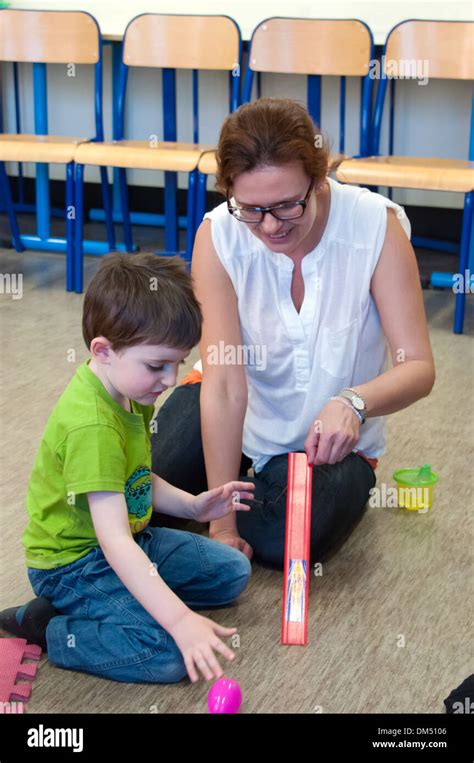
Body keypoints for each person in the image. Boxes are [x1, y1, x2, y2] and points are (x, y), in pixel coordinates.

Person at [151, 97, 436, 567]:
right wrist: (221, 527)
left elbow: (419, 368)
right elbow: (222, 384)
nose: (268, 226)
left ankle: (226, 500)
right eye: (250, 208)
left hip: (330, 442)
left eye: (286, 205)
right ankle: (229, 495)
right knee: (138, 495)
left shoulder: (374, 226)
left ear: (319, 179)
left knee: (296, 538)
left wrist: (353, 402)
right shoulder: (218, 234)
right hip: (235, 410)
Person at [0, 253, 255, 685]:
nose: (171, 380)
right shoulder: (92, 426)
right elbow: (114, 541)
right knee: (170, 654)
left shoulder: (128, 388)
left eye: (178, 363)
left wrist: (192, 506)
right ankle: (50, 626)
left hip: (130, 538)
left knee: (231, 573)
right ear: (103, 350)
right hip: (74, 565)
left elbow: (135, 477)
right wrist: (178, 620)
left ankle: (131, 600)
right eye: (158, 365)